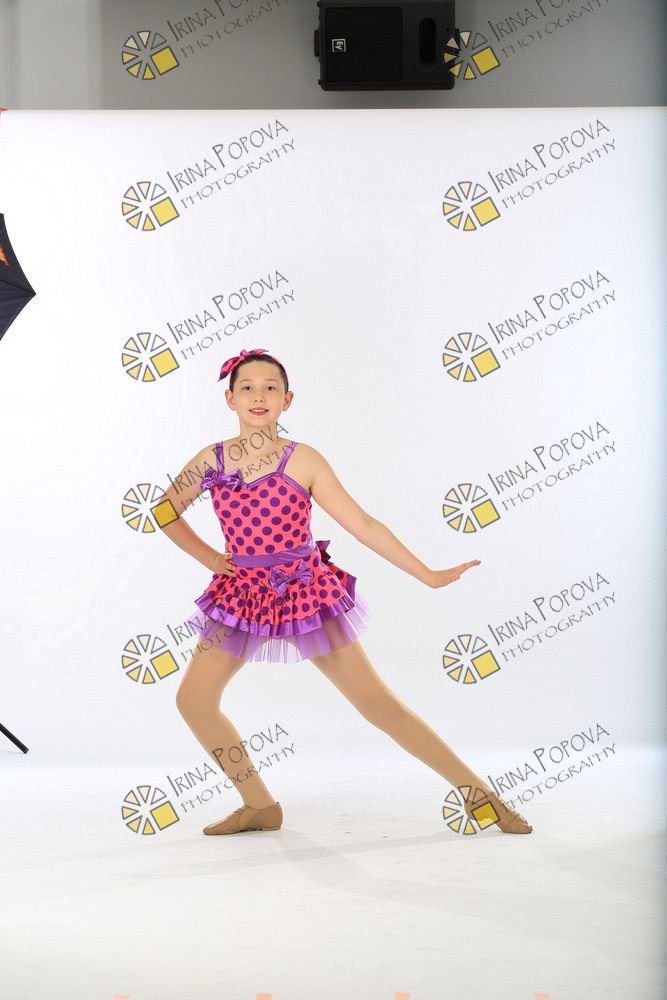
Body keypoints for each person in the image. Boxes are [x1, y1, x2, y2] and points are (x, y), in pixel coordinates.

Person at [159, 347, 532, 837]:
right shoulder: (212, 459)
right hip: (241, 595)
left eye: (270, 387)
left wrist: (427, 574)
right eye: (246, 387)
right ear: (230, 399)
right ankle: (259, 804)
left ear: (287, 399)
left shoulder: (303, 459)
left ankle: (481, 796)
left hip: (305, 593)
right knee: (194, 700)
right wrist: (211, 559)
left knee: (377, 704)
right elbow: (165, 510)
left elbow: (363, 524)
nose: (258, 396)